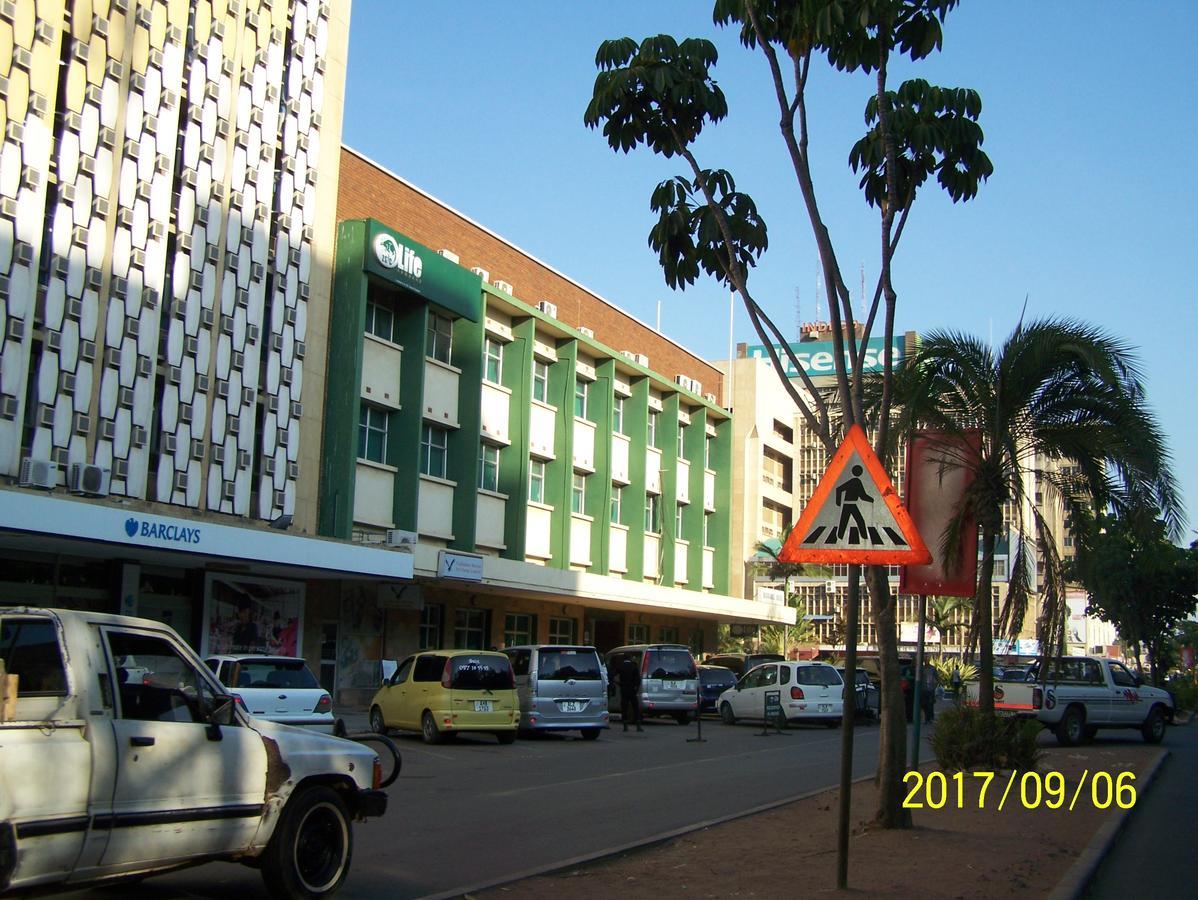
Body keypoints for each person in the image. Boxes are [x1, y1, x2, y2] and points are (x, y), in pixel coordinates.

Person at [618, 657, 643, 733]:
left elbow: (612, 675)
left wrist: (619, 683)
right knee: (635, 706)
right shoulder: (634, 666)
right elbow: (638, 680)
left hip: (624, 689)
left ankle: (625, 725)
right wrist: (636, 689)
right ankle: (638, 725)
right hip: (632, 689)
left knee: (624, 706)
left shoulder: (621, 666)